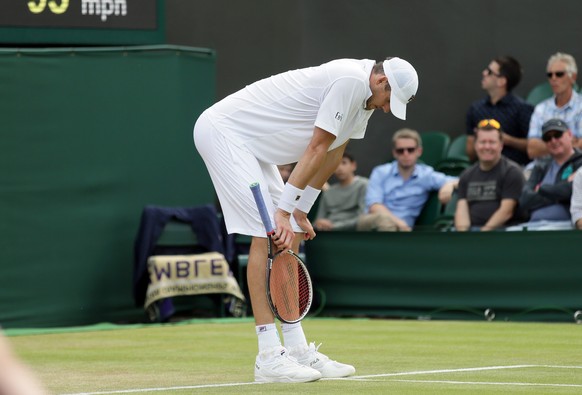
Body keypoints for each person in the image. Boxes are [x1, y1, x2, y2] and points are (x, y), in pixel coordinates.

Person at [194, 57, 419, 383]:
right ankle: (269, 357)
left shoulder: (366, 100)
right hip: (225, 134)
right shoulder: (351, 81)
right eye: (389, 100)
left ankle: (297, 350)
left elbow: (333, 154)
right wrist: (283, 212)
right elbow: (316, 146)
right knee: (265, 232)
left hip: (256, 147)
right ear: (382, 80)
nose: (387, 109)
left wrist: (299, 211)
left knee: (289, 234)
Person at [361, 128, 458, 231]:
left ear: (419, 151)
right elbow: (374, 206)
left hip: (402, 229)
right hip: (372, 221)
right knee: (384, 220)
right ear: (394, 153)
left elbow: (462, 180)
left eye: (410, 150)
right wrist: (400, 223)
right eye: (400, 151)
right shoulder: (381, 172)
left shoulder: (426, 175)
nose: (406, 154)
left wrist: (450, 184)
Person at [455, 119, 525, 231]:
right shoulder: (466, 175)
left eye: (492, 142)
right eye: (482, 142)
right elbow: (462, 209)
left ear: (501, 145)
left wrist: (482, 234)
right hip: (471, 231)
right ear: (475, 145)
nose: (487, 147)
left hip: (501, 231)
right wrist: (464, 237)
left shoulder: (512, 172)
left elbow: (506, 212)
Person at [465, 56, 534, 166]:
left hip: (515, 169)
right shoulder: (476, 109)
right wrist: (481, 140)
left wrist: (507, 140)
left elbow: (533, 147)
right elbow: (470, 151)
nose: (484, 73)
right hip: (483, 170)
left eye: (489, 72)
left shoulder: (522, 109)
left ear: (501, 81)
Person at [515, 119, 582, 230]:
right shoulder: (540, 165)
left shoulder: (580, 162)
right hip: (532, 224)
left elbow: (570, 191)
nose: (553, 140)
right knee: (509, 233)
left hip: (565, 225)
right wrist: (558, 192)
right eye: (547, 138)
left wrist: (541, 189)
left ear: (569, 134)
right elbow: (524, 199)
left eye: (557, 135)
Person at [527, 52, 582, 159]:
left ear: (573, 77)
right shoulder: (540, 109)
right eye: (550, 74)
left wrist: (546, 144)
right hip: (542, 169)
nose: (553, 78)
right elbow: (532, 149)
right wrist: (568, 142)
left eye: (559, 74)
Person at [313, 152, 368, 231]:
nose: (339, 168)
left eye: (344, 163)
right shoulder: (329, 192)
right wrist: (319, 224)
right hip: (326, 233)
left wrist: (334, 226)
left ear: (353, 165)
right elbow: (318, 220)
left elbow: (363, 217)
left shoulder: (363, 185)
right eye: (336, 164)